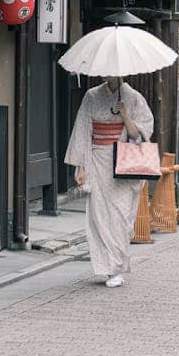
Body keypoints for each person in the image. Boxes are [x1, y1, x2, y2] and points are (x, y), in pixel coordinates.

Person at [64, 77, 154, 288]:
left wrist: (125, 116)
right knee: (100, 216)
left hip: (123, 162)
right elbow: (83, 131)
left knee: (120, 217)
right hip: (97, 161)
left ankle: (117, 267)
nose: (110, 73)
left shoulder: (133, 98)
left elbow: (139, 135)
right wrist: (81, 165)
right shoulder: (92, 96)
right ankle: (107, 268)